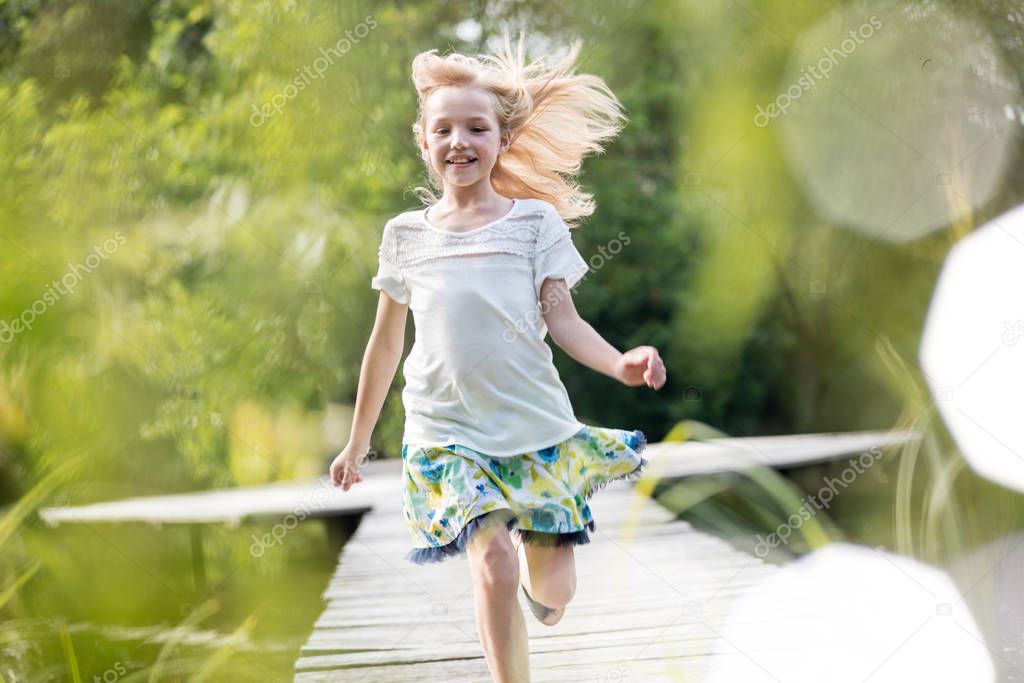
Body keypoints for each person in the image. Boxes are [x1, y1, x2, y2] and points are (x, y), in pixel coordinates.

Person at [329, 30, 667, 683]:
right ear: (423, 141)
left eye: (477, 127)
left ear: (501, 140)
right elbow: (387, 342)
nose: (461, 140)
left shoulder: (533, 223)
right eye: (445, 128)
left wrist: (622, 362)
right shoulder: (404, 237)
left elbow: (562, 319)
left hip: (534, 431)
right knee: (493, 563)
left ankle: (543, 599)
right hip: (446, 437)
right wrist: (357, 440)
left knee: (555, 590)